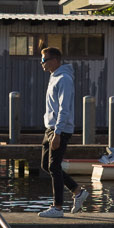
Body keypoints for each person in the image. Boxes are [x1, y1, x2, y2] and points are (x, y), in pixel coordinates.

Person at [36, 46, 76, 217]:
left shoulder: (64, 79)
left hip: (60, 129)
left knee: (54, 166)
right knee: (46, 164)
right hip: (50, 128)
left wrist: (58, 133)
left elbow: (64, 109)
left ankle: (57, 207)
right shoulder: (54, 77)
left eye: (44, 60)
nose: (41, 63)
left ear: (55, 60)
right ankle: (78, 190)